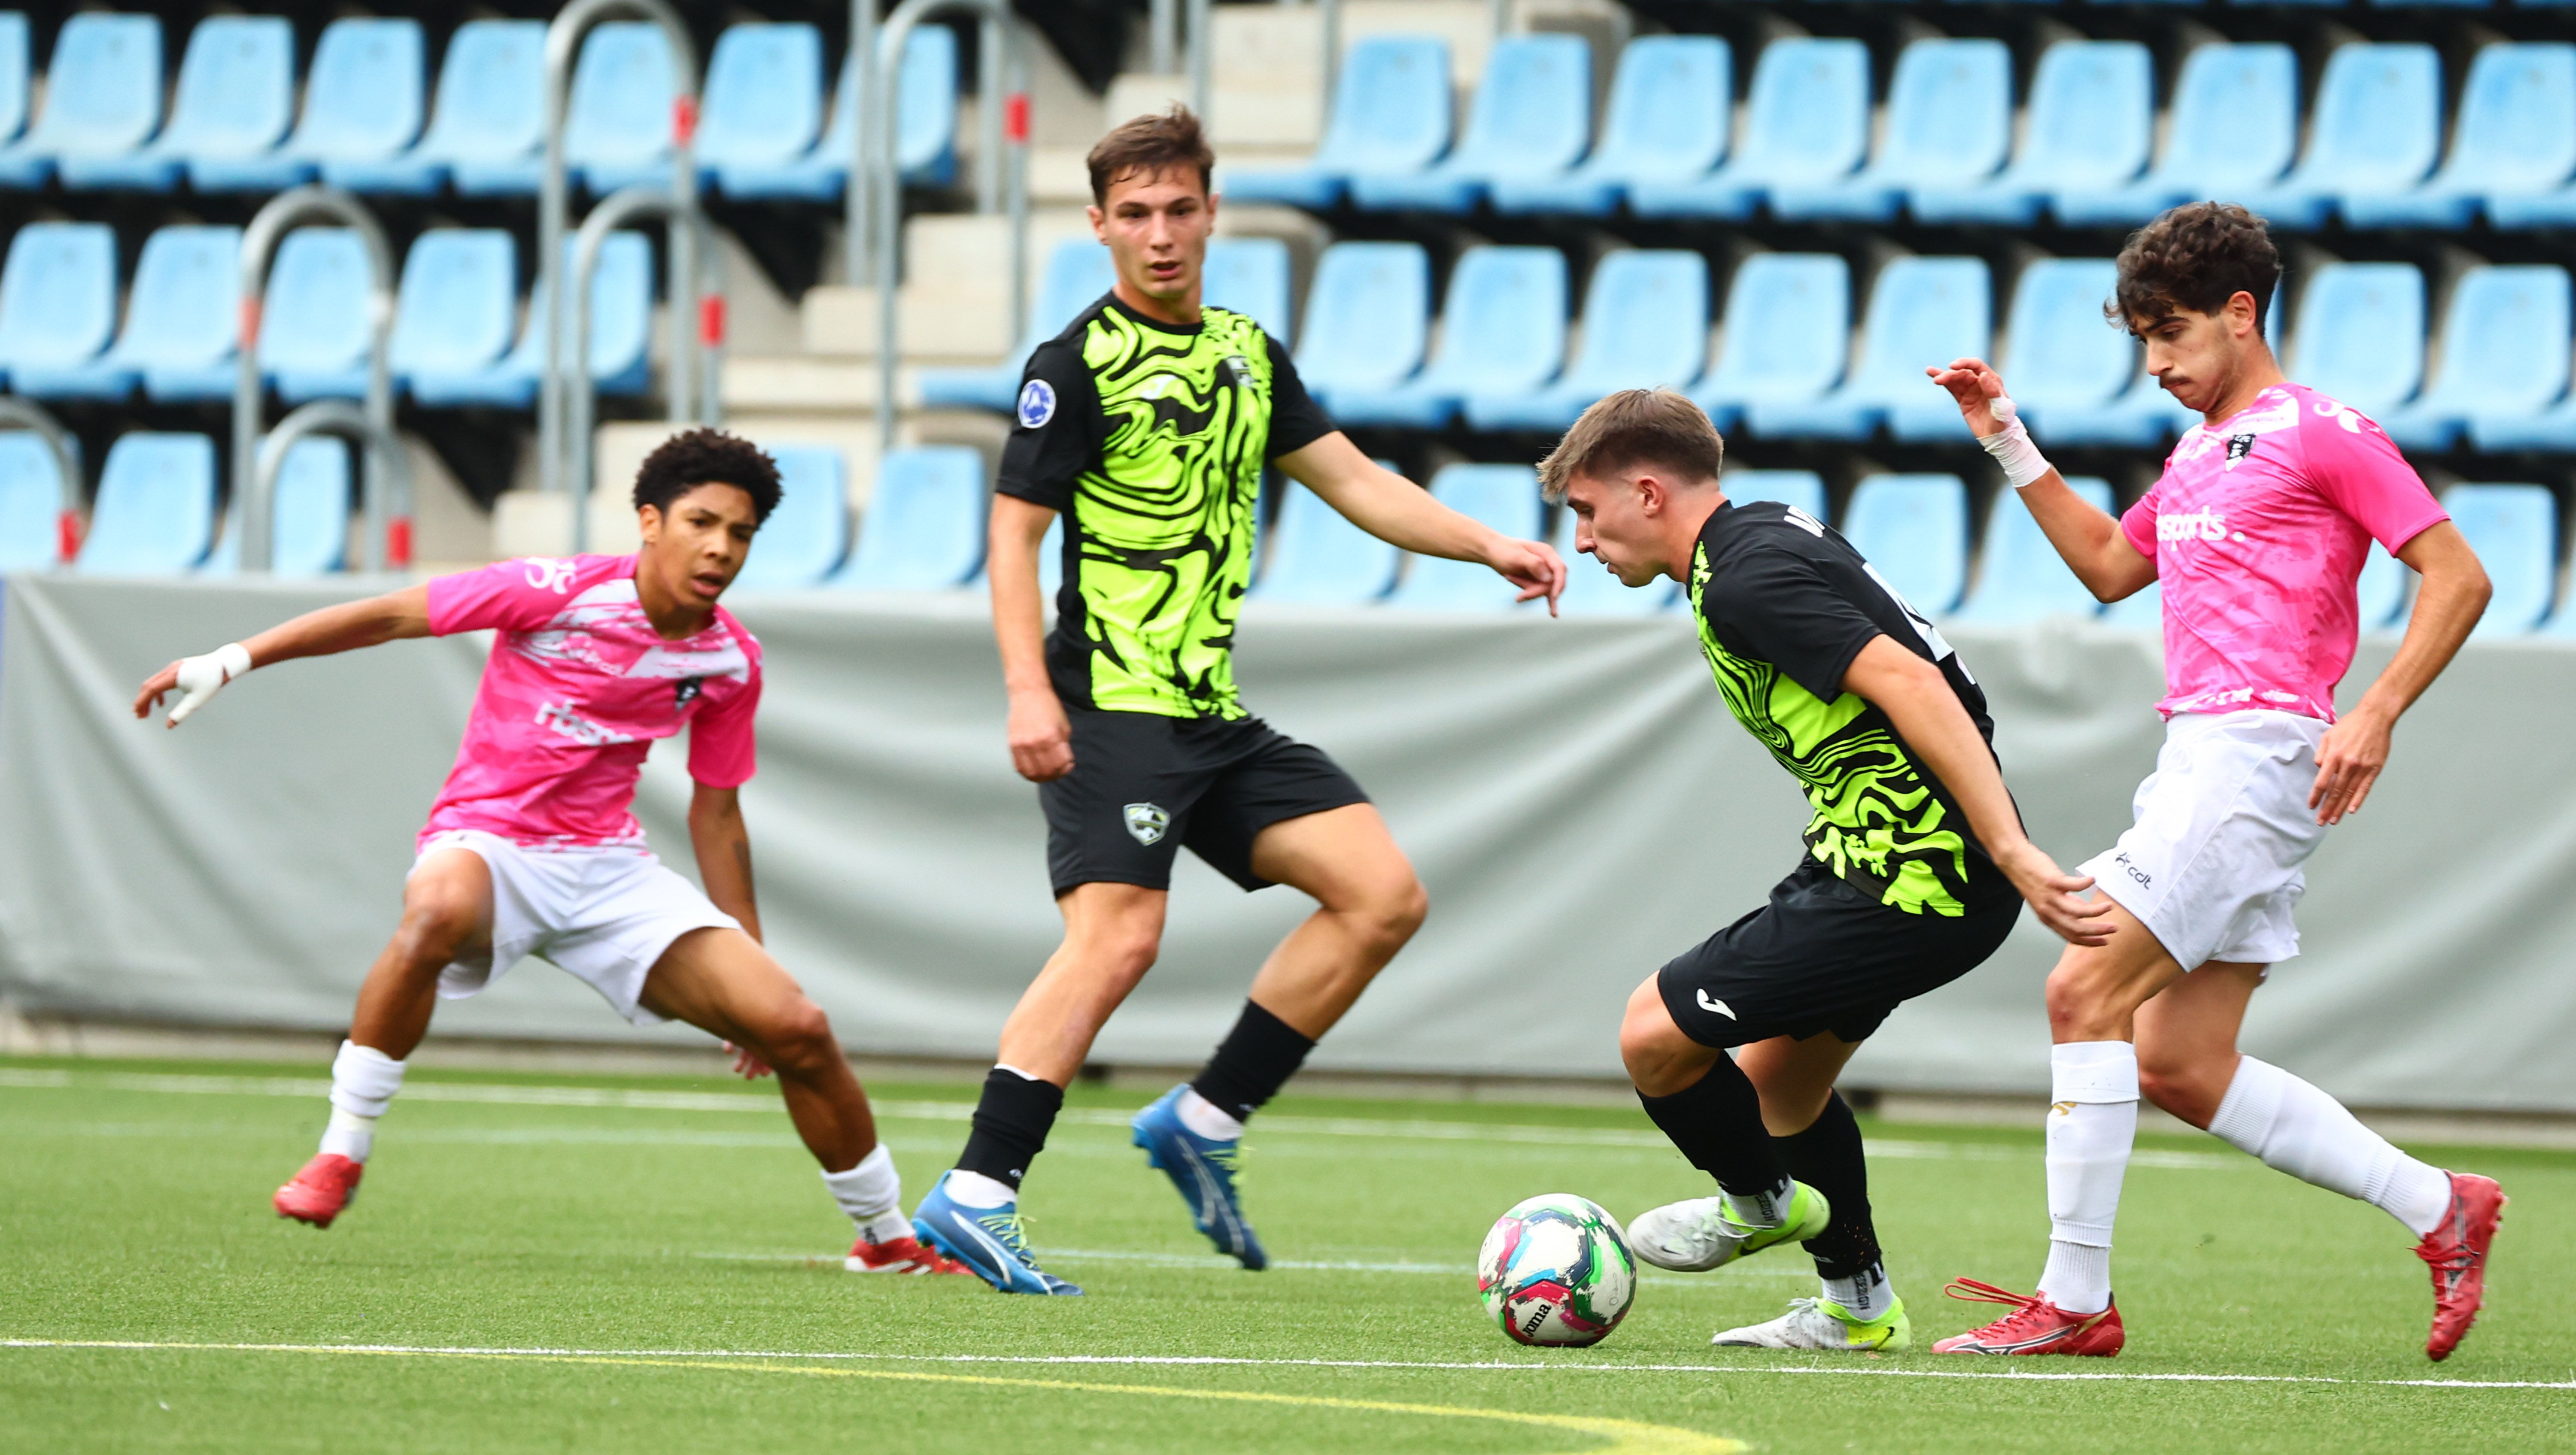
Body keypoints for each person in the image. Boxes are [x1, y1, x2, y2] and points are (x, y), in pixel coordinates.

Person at [907, 107, 1567, 1295]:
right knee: (1119, 937)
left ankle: (1206, 1121)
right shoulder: (1072, 366)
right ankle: (976, 1191)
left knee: (1380, 895)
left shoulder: (1249, 355)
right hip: (1110, 700)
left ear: (1211, 215)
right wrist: (1024, 691)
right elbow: (1011, 539)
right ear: (1100, 226)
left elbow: (1355, 481)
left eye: (1180, 210)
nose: (1160, 235)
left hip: (1207, 710)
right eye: (1136, 215)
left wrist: (1488, 544)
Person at [131, 429, 967, 1278]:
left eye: (740, 533)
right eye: (701, 522)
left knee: (799, 1027)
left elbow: (719, 815)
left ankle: (886, 1235)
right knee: (436, 911)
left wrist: (749, 956)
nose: (720, 547)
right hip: (489, 843)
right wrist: (231, 659)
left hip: (609, 869)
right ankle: (341, 1148)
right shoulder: (552, 590)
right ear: (651, 521)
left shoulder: (730, 659)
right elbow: (386, 615)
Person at [1925, 202, 2502, 1361]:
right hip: (2207, 755)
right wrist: (2004, 435)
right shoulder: (2198, 450)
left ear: (2243, 314)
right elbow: (2105, 566)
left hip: (2256, 752)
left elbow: (2460, 572)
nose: (2156, 364)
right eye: (2142, 339)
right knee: (2180, 1067)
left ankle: (2077, 1303)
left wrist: (2376, 709)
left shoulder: (2321, 430)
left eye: (2172, 333)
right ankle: (2444, 1208)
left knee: (2081, 992)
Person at [1542, 388, 2108, 1353]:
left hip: (1914, 872)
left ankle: (1758, 1202)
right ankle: (1858, 1305)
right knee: (1781, 1092)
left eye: (1588, 514)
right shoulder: (1759, 533)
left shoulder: (1743, 578)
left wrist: (2009, 845)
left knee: (1654, 1035)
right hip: (1874, 854)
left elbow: (1912, 681)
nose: (1587, 541)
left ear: (1646, 492)